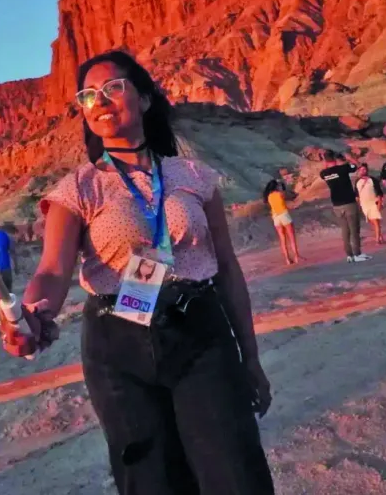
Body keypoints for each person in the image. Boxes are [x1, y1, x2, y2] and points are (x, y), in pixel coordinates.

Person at [20, 50, 274, 495]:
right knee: (150, 480)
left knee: (235, 472)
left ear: (145, 99)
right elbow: (52, 270)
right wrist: (31, 312)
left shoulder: (192, 175)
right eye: (87, 95)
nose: (100, 101)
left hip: (200, 332)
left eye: (113, 88)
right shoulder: (78, 188)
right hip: (117, 345)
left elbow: (228, 269)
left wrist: (249, 357)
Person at [320, 151, 371, 263]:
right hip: (348, 202)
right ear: (334, 158)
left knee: (345, 230)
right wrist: (349, 157)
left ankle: (349, 255)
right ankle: (357, 254)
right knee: (354, 229)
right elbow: (358, 166)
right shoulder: (342, 168)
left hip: (337, 204)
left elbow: (325, 168)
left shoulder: (324, 173)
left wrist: (326, 160)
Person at [263, 177, 300, 265]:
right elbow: (291, 195)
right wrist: (283, 184)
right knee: (291, 237)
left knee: (282, 239)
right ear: (276, 186)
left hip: (275, 217)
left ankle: (287, 259)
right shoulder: (280, 194)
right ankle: (296, 257)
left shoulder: (268, 196)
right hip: (283, 214)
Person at [355, 164, 385, 244]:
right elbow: (357, 195)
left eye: (364, 169)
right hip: (364, 205)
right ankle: (380, 236)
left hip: (373, 203)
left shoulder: (373, 180)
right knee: (372, 222)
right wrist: (358, 206)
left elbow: (379, 193)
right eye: (361, 170)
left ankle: (377, 239)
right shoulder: (357, 181)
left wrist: (379, 204)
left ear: (367, 170)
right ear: (358, 171)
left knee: (375, 222)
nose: (363, 171)